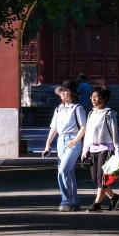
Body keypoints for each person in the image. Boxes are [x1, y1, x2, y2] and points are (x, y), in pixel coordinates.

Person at [72, 85, 119, 212]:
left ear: (104, 98)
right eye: (92, 97)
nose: (93, 99)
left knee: (102, 177)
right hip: (93, 149)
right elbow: (88, 133)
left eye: (97, 97)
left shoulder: (109, 114)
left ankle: (97, 204)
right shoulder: (91, 113)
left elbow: (115, 134)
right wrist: (85, 151)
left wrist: (118, 152)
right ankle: (113, 197)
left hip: (106, 148)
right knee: (95, 178)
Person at [41, 79, 87, 212]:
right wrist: (47, 145)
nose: (62, 93)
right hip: (60, 141)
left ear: (71, 93)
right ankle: (75, 203)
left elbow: (84, 127)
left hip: (73, 141)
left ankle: (66, 201)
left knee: (63, 171)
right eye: (61, 91)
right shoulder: (58, 109)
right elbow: (54, 128)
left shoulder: (77, 108)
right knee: (69, 173)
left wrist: (76, 140)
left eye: (64, 90)